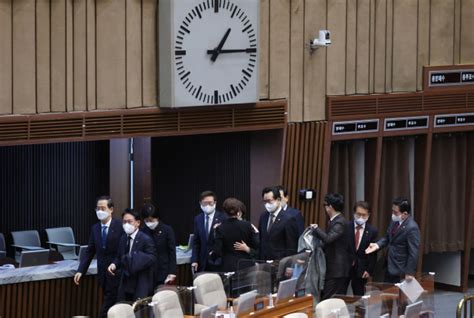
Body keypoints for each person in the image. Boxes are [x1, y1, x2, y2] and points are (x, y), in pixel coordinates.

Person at [74, 196, 124, 318]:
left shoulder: (120, 226)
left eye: (103, 208)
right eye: (98, 208)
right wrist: (81, 270)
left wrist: (116, 264)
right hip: (103, 275)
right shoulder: (95, 228)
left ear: (111, 209)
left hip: (118, 274)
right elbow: (90, 251)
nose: (100, 211)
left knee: (110, 309)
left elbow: (123, 251)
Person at [366, 197, 420, 283]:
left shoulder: (412, 228)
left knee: (397, 295)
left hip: (400, 268)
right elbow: (387, 237)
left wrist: (409, 272)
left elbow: (413, 252)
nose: (393, 214)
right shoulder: (394, 221)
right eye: (392, 211)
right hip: (389, 264)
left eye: (395, 212)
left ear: (405, 214)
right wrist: (377, 245)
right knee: (388, 293)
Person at [107, 209, 156, 301]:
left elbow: (152, 258)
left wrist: (135, 257)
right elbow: (119, 256)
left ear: (137, 223)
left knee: (138, 310)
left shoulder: (145, 239)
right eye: (124, 222)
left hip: (140, 281)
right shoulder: (123, 238)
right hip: (125, 281)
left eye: (129, 222)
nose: (126, 224)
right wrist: (114, 264)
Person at [311, 193, 350, 300]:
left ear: (330, 207)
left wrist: (316, 229)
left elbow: (328, 239)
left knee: (328, 300)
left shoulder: (340, 222)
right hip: (333, 269)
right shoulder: (335, 221)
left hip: (337, 270)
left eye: (325, 205)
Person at [211, 197, 259, 272]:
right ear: (238, 211)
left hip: (228, 266)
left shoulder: (220, 228)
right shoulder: (247, 225)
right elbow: (257, 245)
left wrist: (211, 255)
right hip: (246, 265)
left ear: (225, 212)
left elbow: (218, 250)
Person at [345, 201, 378, 296]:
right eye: (358, 214)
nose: (361, 217)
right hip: (345, 267)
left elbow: (373, 253)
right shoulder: (346, 226)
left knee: (359, 296)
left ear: (369, 215)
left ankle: (358, 311)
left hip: (361, 268)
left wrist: (369, 269)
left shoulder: (372, 231)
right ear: (354, 213)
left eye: (364, 215)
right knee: (341, 294)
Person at [141, 203, 177, 287]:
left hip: (163, 272)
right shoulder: (142, 231)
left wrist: (172, 272)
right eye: (146, 220)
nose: (149, 223)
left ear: (157, 218)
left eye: (151, 220)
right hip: (147, 273)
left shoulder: (167, 230)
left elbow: (172, 252)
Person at [258, 186, 299, 261]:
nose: (267, 204)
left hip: (280, 263)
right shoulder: (263, 217)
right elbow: (261, 240)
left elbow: (291, 246)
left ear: (278, 200)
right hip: (263, 263)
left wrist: (288, 265)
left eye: (269, 201)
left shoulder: (288, 219)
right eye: (265, 201)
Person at [191, 190, 227, 272]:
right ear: (200, 203)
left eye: (210, 203)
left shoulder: (223, 218)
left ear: (215, 203)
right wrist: (194, 260)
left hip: (218, 262)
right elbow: (196, 242)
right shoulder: (198, 219)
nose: (208, 205)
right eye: (205, 203)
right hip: (202, 262)